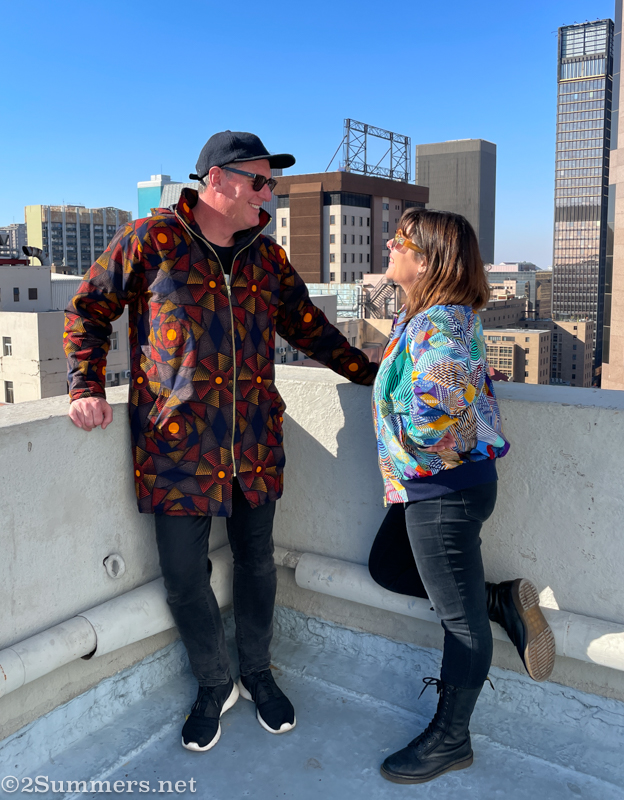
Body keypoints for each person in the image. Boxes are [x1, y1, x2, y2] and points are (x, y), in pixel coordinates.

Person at [64, 131, 377, 753]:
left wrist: (383, 372)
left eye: (271, 182)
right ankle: (215, 682)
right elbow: (89, 307)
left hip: (254, 442)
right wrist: (84, 385)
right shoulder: (150, 240)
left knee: (258, 565)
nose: (270, 192)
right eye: (260, 181)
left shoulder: (268, 257)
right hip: (175, 446)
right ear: (217, 181)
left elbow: (311, 330)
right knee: (184, 575)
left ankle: (258, 672)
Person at [368, 209, 555, 785]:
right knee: (387, 567)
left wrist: (405, 439)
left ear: (426, 260)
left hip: (443, 491)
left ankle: (452, 740)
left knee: (461, 625)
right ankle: (497, 599)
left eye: (400, 241)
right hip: (429, 488)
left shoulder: (444, 327)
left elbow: (433, 416)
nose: (388, 245)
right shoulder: (423, 317)